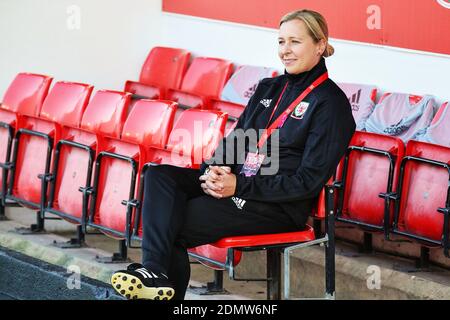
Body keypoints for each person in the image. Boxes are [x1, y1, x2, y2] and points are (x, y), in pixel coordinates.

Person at [110, 9, 356, 300]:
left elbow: (306, 183)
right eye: (280, 42)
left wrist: (239, 186)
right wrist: (214, 171)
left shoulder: (331, 104)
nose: (285, 51)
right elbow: (236, 141)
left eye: (294, 42)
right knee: (158, 174)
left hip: (275, 206)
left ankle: (156, 278)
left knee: (170, 224)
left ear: (319, 44)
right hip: (237, 186)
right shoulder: (270, 87)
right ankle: (154, 273)